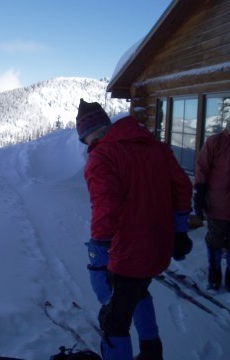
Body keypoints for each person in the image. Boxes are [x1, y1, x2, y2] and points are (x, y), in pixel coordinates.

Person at [76, 99, 193, 360]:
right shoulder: (155, 147)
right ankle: (152, 353)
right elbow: (183, 186)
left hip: (127, 254)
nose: (87, 146)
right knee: (138, 292)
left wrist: (97, 257)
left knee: (114, 320)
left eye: (85, 140)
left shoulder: (101, 156)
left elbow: (105, 207)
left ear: (87, 133)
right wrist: (179, 230)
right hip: (158, 247)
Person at [194, 119, 230, 291]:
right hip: (217, 204)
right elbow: (202, 168)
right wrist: (199, 194)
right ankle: (214, 275)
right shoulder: (215, 142)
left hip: (218, 204)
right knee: (215, 241)